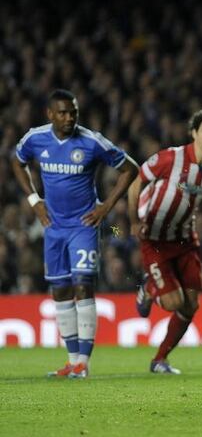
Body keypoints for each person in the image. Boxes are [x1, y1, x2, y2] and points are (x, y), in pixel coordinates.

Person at [11, 89, 139, 378]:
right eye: (63, 113)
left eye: (73, 113)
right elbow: (15, 162)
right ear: (50, 114)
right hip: (53, 227)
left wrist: (106, 207)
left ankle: (84, 362)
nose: (69, 118)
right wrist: (34, 201)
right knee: (60, 291)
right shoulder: (35, 138)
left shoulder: (91, 141)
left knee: (83, 285)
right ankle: (72, 361)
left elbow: (130, 169)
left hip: (84, 225)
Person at [128, 108, 202, 374]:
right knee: (174, 303)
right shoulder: (169, 158)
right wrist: (132, 221)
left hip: (185, 239)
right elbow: (134, 183)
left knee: (191, 305)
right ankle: (148, 288)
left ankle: (160, 359)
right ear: (194, 133)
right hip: (154, 238)